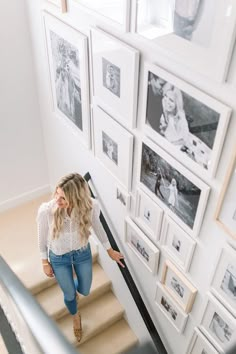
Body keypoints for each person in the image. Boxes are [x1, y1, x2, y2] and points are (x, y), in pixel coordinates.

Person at [36, 173, 124, 343]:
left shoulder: (91, 206)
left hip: (82, 253)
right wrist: (44, 261)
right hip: (59, 257)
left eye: (63, 197)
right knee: (69, 294)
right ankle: (75, 316)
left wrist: (109, 250)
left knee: (84, 289)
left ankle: (74, 291)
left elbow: (98, 227)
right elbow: (41, 237)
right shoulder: (47, 211)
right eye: (57, 193)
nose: (57, 199)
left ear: (76, 197)